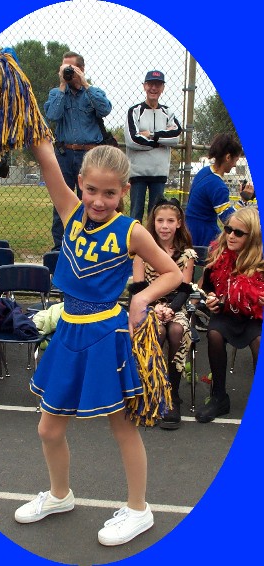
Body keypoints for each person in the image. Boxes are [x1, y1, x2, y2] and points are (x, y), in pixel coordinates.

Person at [14, 141, 182, 546]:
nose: (99, 200)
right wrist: (34, 131)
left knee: (122, 428)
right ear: (80, 185)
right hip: (69, 330)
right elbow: (46, 157)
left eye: (110, 193)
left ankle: (140, 509)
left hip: (107, 335)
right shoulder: (70, 211)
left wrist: (140, 298)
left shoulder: (132, 231)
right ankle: (59, 495)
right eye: (92, 190)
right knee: (48, 428)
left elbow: (172, 273)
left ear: (124, 191)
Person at [131, 197, 196, 429]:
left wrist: (169, 309)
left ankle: (173, 395)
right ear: (153, 222)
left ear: (179, 223)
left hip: (175, 307)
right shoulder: (141, 252)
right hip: (148, 306)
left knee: (177, 330)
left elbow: (185, 289)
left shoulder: (187, 254)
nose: (165, 226)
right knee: (155, 331)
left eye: (170, 221)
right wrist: (154, 308)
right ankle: (152, 392)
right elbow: (138, 289)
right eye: (160, 220)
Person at [195, 207, 264, 423]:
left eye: (238, 232)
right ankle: (218, 397)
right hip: (225, 313)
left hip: (254, 317)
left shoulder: (260, 261)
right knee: (214, 334)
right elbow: (204, 288)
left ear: (251, 236)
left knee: (259, 341)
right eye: (228, 230)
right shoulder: (217, 254)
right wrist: (209, 299)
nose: (231, 235)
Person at [44, 51, 112, 250]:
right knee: (61, 202)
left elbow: (105, 109)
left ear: (81, 69)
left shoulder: (93, 92)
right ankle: (60, 247)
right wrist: (63, 85)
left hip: (89, 156)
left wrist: (84, 83)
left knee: (91, 202)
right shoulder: (56, 94)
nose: (67, 72)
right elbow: (52, 115)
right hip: (64, 154)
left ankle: (89, 244)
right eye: (64, 68)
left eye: (71, 68)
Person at [124, 70, 182, 223]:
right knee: (135, 214)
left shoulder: (168, 112)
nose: (153, 88)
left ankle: (153, 246)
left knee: (156, 215)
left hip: (159, 172)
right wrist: (162, 141)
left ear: (162, 88)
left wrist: (151, 135)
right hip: (138, 173)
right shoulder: (135, 111)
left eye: (158, 84)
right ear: (144, 86)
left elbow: (176, 136)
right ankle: (133, 246)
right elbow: (132, 140)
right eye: (150, 84)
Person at [185, 133, 255, 247]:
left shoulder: (204, 171)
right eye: (235, 161)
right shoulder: (218, 186)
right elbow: (227, 220)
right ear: (228, 157)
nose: (235, 165)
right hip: (203, 234)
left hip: (189, 227)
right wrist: (243, 200)